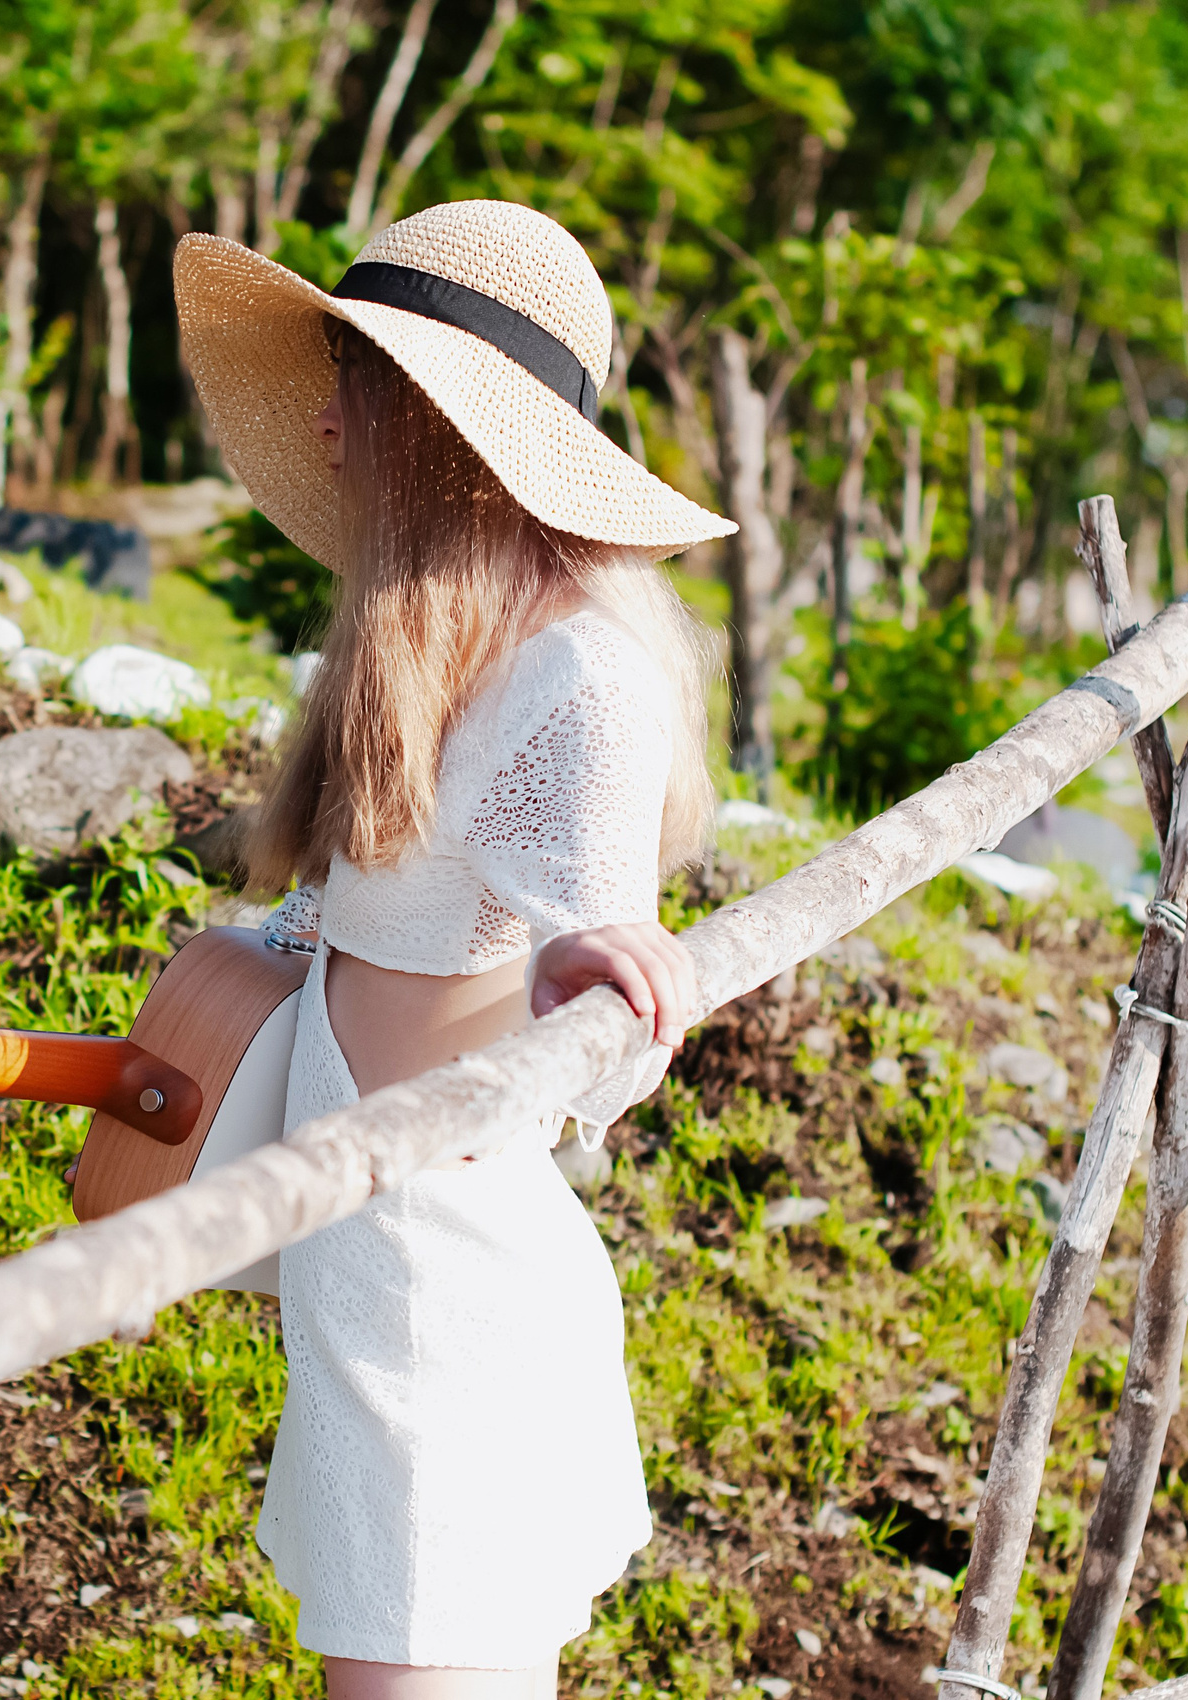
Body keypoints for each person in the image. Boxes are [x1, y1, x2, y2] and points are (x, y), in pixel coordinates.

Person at [171, 200, 737, 1698]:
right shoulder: (437, 647)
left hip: (441, 1291)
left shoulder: (575, 674)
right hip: (372, 1270)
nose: (325, 415)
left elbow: (597, 957)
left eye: (357, 374)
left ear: (429, 417)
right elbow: (382, 915)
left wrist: (590, 985)